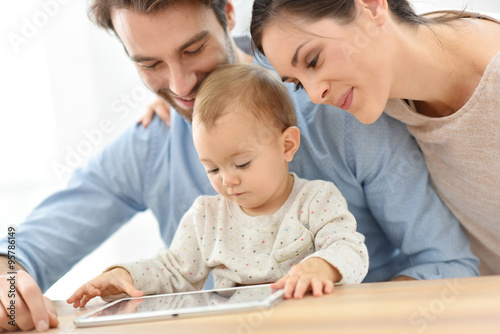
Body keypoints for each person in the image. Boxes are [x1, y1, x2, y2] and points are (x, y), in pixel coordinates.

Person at [0, 0, 478, 332]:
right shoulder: (152, 143)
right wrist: (6, 272)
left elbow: (445, 264)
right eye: (150, 64)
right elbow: (27, 241)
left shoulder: (339, 105)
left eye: (192, 49)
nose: (181, 84)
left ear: (228, 15)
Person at [66, 63, 369, 308]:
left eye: (242, 164)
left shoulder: (316, 200)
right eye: (212, 168)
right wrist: (123, 275)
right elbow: (173, 271)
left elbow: (350, 248)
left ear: (287, 145)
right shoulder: (207, 217)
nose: (227, 180)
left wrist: (322, 266)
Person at [250, 0, 500, 275]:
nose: (313, 96)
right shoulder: (384, 80)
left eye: (313, 60)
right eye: (297, 83)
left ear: (370, 6)